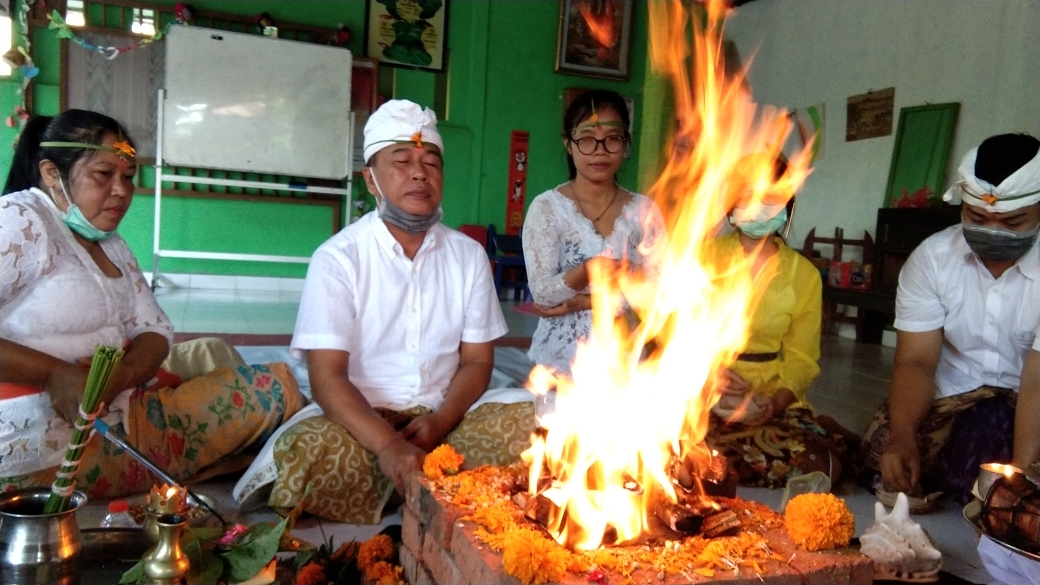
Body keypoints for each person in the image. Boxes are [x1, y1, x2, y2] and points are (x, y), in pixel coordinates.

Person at [233, 100, 536, 523]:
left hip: (449, 420)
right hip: (361, 423)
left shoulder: (468, 256)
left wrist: (441, 422)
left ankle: (408, 486)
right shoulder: (338, 258)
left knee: (541, 427)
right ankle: (442, 486)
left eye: (431, 163)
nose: (419, 173)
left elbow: (477, 361)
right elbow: (326, 377)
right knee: (306, 454)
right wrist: (389, 445)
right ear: (370, 179)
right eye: (402, 161)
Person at [0, 109, 304, 498]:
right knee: (277, 389)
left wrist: (121, 376)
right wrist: (52, 375)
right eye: (103, 174)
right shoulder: (22, 221)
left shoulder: (110, 243)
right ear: (51, 174)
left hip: (120, 408)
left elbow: (154, 328)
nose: (121, 190)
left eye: (128, 177)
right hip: (45, 451)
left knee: (219, 358)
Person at [860, 133, 1040, 505]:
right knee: (884, 452)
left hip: (1029, 398)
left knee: (999, 458)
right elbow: (916, 361)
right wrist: (903, 437)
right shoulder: (934, 258)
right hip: (958, 391)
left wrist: (1021, 482)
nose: (992, 232)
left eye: (1013, 222)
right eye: (977, 217)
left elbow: (1037, 381)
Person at [704, 155, 846, 488]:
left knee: (819, 464)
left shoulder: (804, 274)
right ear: (732, 204)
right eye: (749, 196)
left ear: (787, 202)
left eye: (771, 196)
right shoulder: (703, 258)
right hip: (703, 394)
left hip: (769, 393)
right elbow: (671, 332)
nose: (760, 207)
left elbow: (802, 357)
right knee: (665, 443)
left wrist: (775, 403)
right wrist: (709, 373)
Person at [522, 89, 666, 377]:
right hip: (560, 364)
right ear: (568, 143)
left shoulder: (644, 211)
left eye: (612, 138)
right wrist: (590, 269)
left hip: (626, 360)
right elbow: (544, 296)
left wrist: (585, 301)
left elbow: (660, 292)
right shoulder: (548, 208)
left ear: (626, 143)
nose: (600, 150)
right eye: (587, 139)